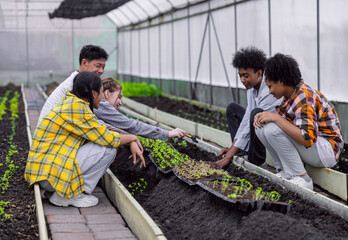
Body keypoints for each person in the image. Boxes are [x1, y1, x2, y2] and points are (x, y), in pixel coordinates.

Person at [25, 72, 146, 208]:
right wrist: (133, 138)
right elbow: (108, 139)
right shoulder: (78, 108)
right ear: (93, 93)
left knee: (101, 144)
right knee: (107, 149)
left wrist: (130, 140)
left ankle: (62, 191)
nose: (102, 97)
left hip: (44, 173)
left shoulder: (72, 103)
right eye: (101, 92)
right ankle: (68, 195)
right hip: (49, 176)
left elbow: (100, 130)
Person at [254, 53, 343, 190]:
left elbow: (306, 137)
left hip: (327, 150)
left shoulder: (304, 97)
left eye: (270, 86)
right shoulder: (290, 96)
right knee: (261, 127)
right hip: (316, 147)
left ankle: (302, 178)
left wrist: (276, 118)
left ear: (281, 81)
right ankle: (285, 171)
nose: (270, 91)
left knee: (273, 129)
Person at [216, 46, 282, 168]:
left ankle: (257, 160)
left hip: (276, 129)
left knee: (256, 114)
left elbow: (249, 125)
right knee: (233, 109)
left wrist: (229, 156)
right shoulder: (251, 89)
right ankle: (241, 152)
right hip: (258, 122)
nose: (242, 80)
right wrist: (231, 149)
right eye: (240, 76)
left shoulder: (268, 90)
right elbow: (246, 119)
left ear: (259, 73)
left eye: (246, 76)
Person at [94, 77, 188, 140]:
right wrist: (167, 134)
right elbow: (131, 125)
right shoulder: (101, 105)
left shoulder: (96, 105)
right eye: (118, 97)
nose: (120, 103)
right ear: (107, 94)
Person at [38, 45, 108, 123]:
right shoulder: (76, 85)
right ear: (84, 63)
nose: (101, 71)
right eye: (98, 66)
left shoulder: (80, 80)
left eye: (103, 67)